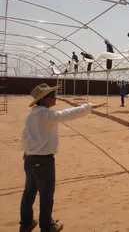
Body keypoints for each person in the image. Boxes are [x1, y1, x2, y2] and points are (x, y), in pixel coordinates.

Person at [19, 83, 105, 232]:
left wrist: (26, 151)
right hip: (43, 161)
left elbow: (25, 136)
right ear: (44, 99)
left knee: (29, 192)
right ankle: (46, 225)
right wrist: (89, 106)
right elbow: (67, 114)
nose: (55, 99)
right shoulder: (46, 115)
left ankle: (26, 223)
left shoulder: (31, 114)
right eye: (52, 96)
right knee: (46, 195)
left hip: (30, 159)